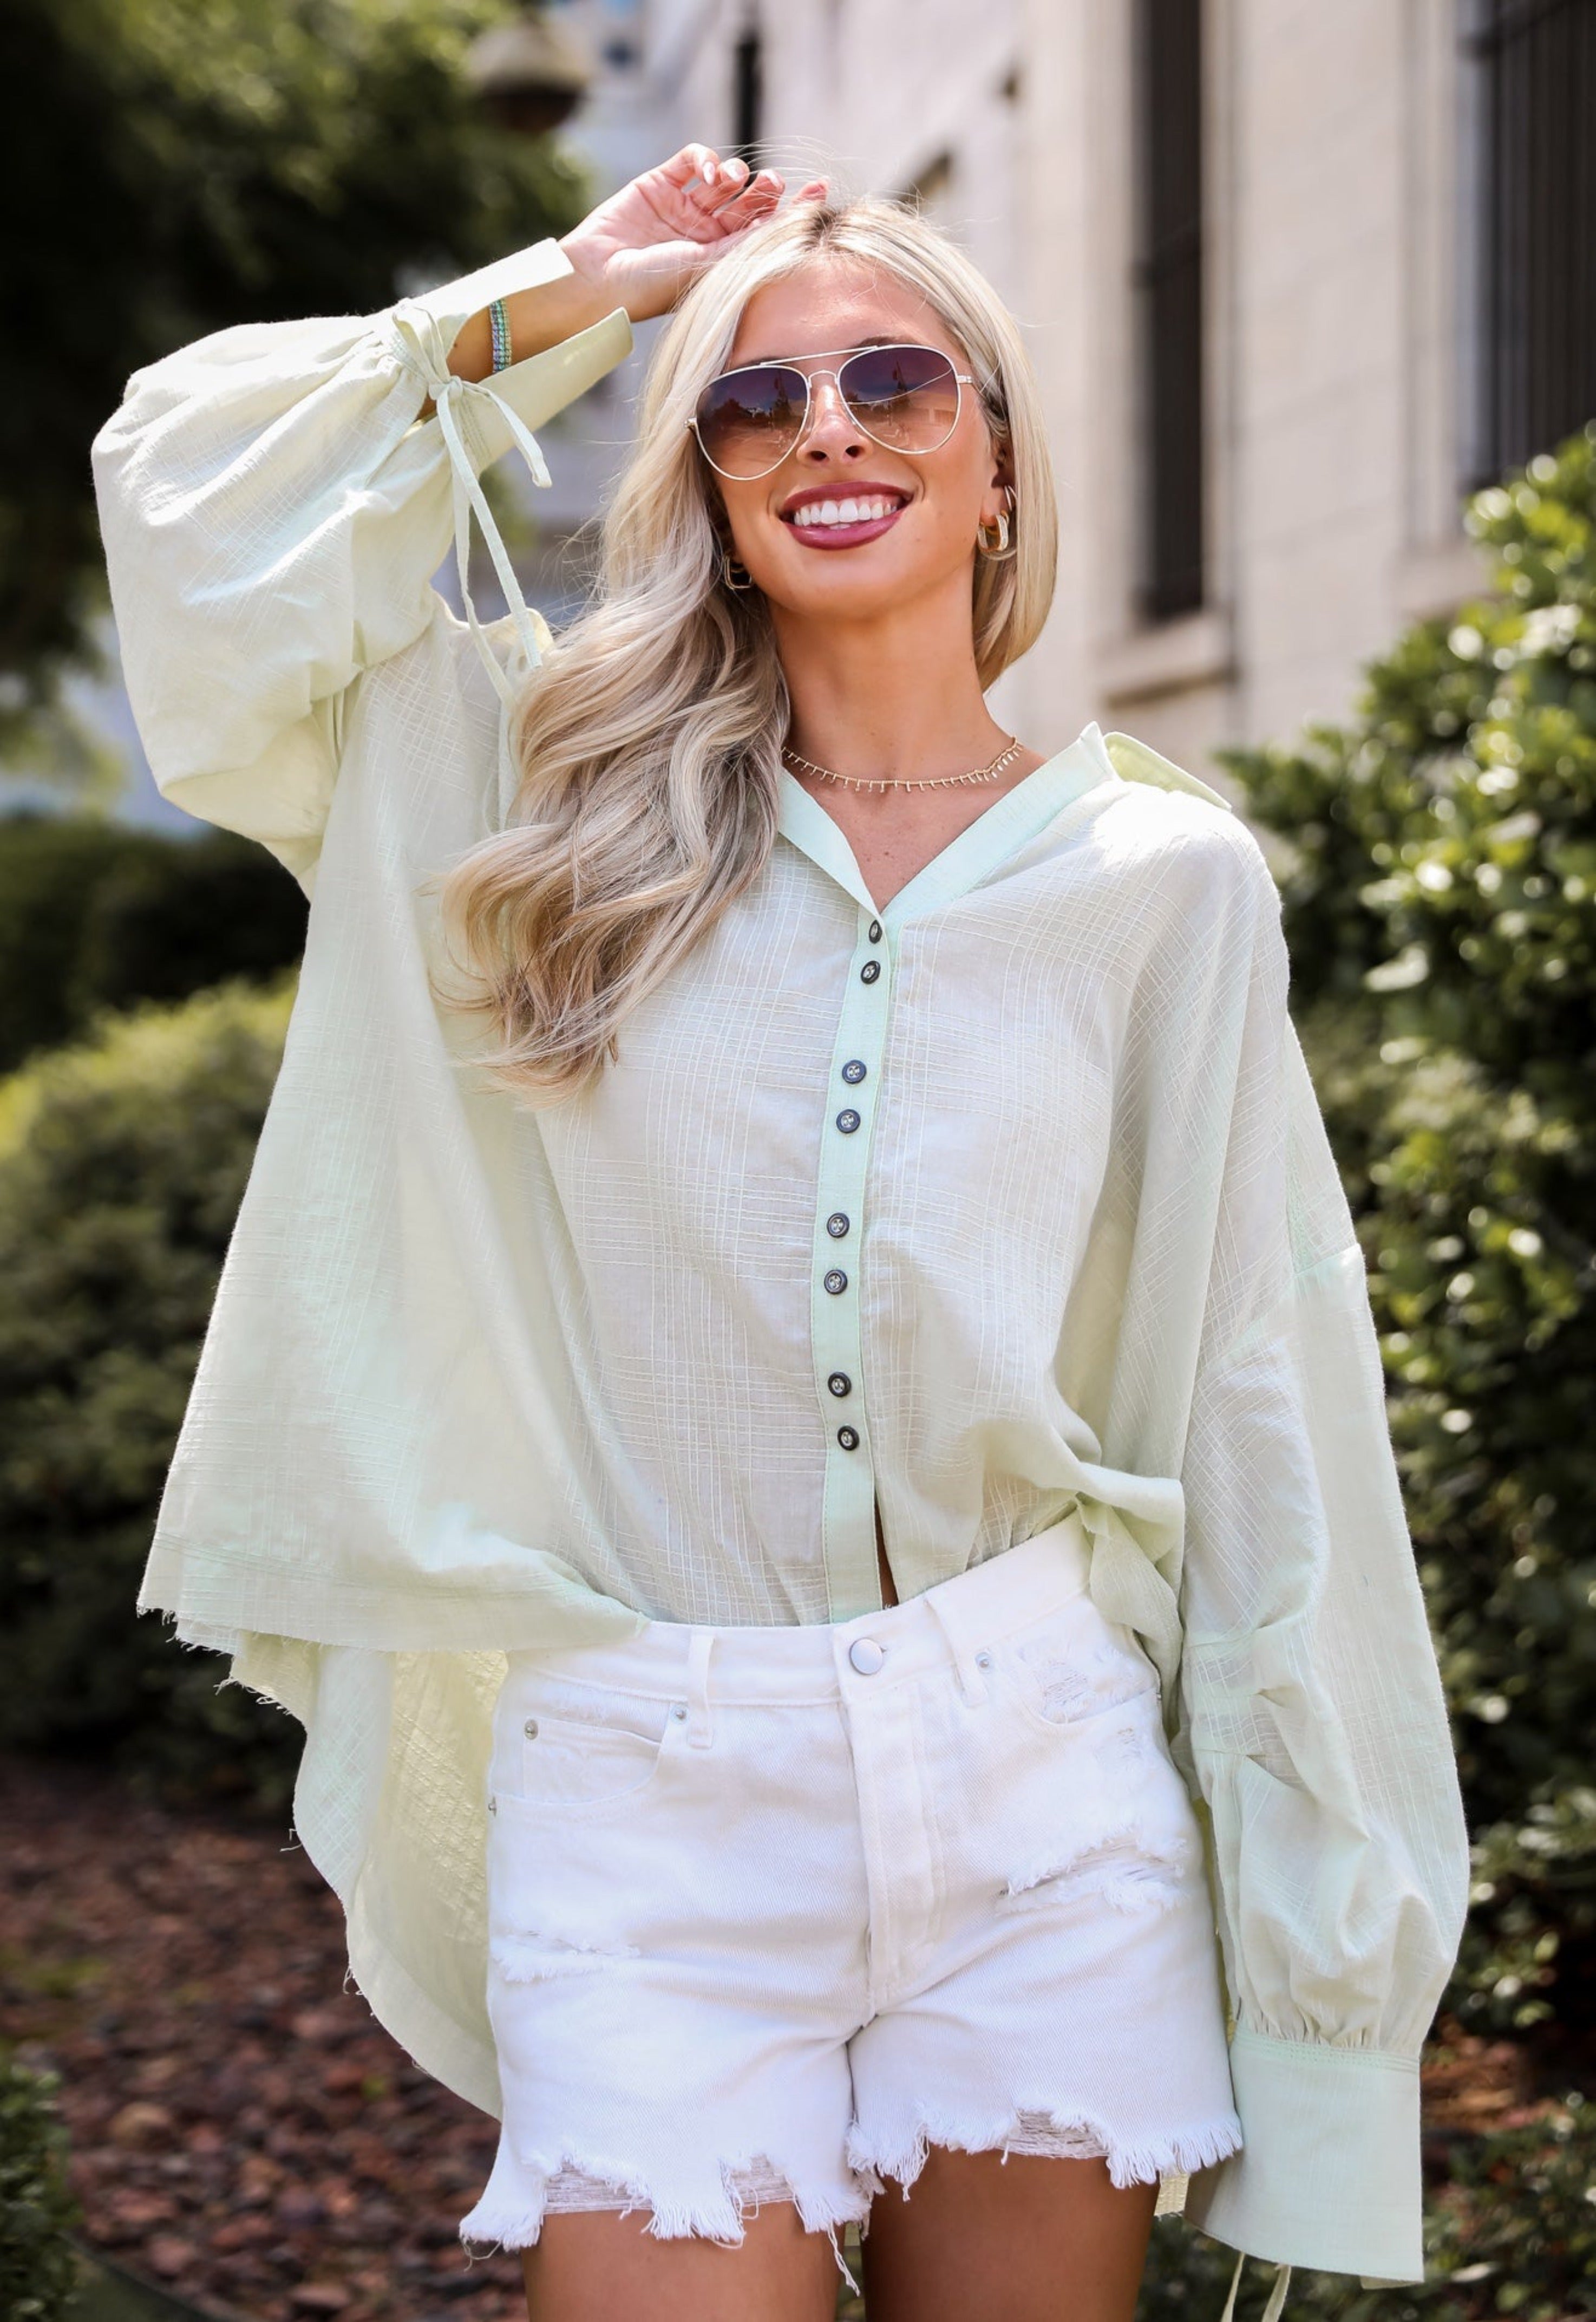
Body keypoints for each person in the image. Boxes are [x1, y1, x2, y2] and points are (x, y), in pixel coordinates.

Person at [91, 141, 1470, 2322]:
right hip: (647, 1779)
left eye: (895, 381)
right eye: (755, 401)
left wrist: (1322, 1981)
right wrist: (587, 282)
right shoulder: (534, 805)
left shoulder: (1158, 882)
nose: (825, 426)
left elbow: (1255, 1392)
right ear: (713, 484)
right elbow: (192, 502)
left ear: (994, 462)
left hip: (1037, 1780)